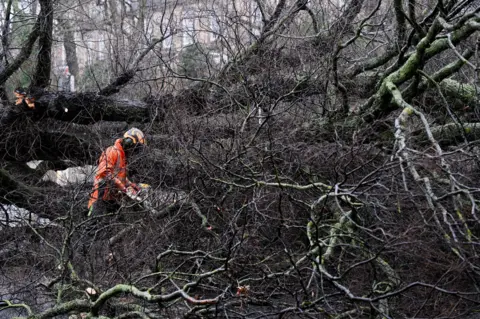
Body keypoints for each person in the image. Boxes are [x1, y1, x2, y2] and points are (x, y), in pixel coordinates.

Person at [87, 128, 146, 216]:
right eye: (134, 148)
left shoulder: (123, 158)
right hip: (100, 197)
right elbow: (105, 173)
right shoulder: (112, 151)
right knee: (93, 226)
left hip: (112, 199)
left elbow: (119, 177)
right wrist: (123, 188)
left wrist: (130, 184)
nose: (134, 152)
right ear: (129, 143)